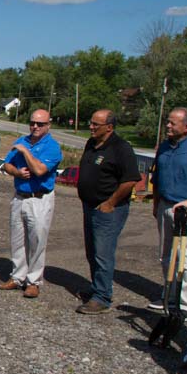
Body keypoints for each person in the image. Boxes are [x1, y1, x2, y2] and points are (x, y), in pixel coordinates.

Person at [75, 109, 140, 315]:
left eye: (96, 124)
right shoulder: (91, 143)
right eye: (91, 123)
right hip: (89, 206)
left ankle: (102, 297)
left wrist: (110, 202)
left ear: (109, 127)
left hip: (108, 210)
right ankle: (97, 289)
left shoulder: (121, 148)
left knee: (103, 253)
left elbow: (130, 179)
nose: (91, 127)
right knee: (92, 251)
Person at [149, 108, 187, 315]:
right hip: (166, 207)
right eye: (167, 122)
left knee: (185, 257)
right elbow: (156, 178)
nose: (168, 126)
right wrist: (156, 204)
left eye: (172, 123)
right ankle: (170, 296)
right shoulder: (165, 147)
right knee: (166, 256)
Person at [0, 109, 62, 298]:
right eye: (32, 123)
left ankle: (33, 281)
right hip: (20, 195)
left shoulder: (52, 147)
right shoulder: (21, 141)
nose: (35, 127)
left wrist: (25, 152)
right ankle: (17, 277)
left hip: (39, 198)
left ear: (48, 125)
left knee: (37, 240)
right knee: (17, 240)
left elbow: (40, 170)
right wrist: (16, 172)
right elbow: (6, 164)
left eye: (40, 124)